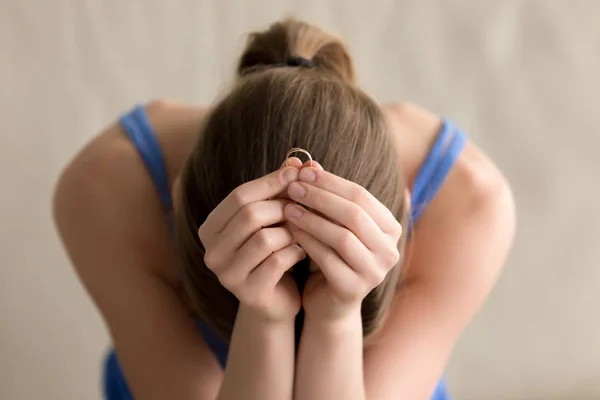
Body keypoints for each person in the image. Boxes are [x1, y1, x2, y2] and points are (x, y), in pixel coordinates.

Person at [53, 18, 515, 400]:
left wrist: (335, 316)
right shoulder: (105, 189)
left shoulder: (469, 203)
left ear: (406, 214)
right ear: (174, 204)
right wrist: (264, 317)